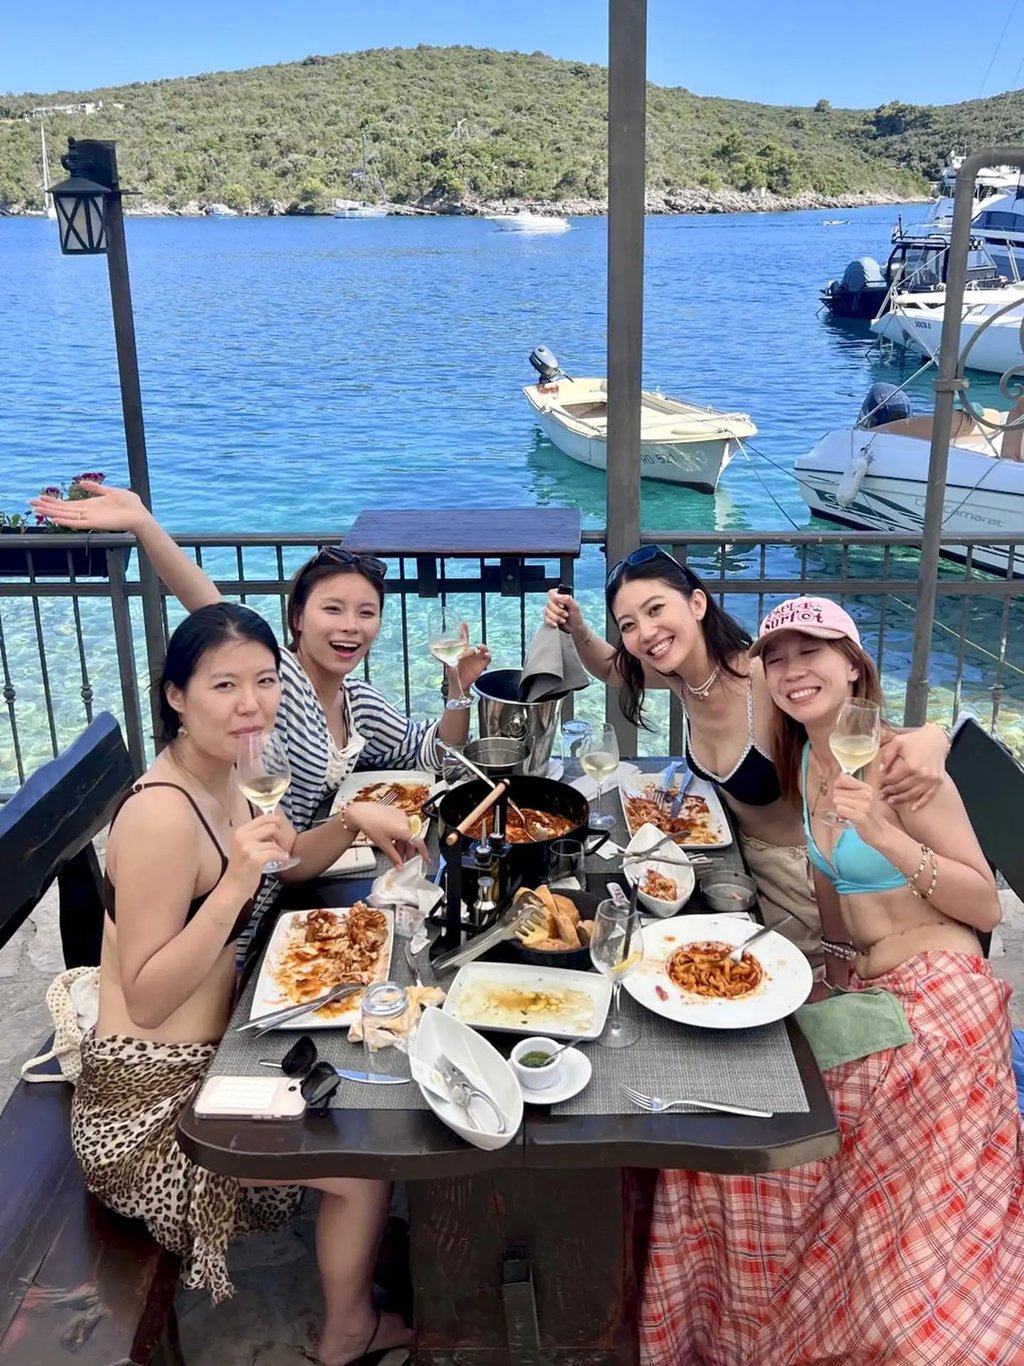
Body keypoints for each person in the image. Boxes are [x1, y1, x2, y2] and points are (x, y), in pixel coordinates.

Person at [640, 596, 1024, 1366]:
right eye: (776, 659)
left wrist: (884, 827)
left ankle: (785, 1322)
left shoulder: (905, 770)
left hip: (939, 1007)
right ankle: (752, 1312)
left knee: (737, 1131)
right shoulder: (811, 762)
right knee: (716, 1089)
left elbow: (986, 907)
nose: (791, 670)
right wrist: (813, 974)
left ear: (853, 666)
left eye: (811, 652)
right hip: (870, 995)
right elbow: (835, 912)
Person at [70, 603, 412, 1365]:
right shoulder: (160, 815)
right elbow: (151, 994)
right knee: (365, 1153)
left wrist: (353, 818)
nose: (251, 703)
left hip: (221, 1048)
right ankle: (347, 1330)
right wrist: (232, 885)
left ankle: (373, 1251)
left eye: (264, 680)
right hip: (150, 1112)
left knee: (379, 1069)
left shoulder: (230, 773)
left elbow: (290, 864)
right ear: (176, 696)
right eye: (224, 685)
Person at [32, 481, 490, 897]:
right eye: (333, 609)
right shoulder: (277, 681)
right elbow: (211, 607)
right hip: (255, 888)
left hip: (301, 862)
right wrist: (144, 524)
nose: (350, 626)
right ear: (297, 618)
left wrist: (457, 687)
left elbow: (435, 751)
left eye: (366, 613)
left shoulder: (359, 703)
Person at [545, 548, 948, 967]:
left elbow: (860, 731)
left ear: (697, 603)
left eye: (656, 609)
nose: (646, 632)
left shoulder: (763, 678)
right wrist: (577, 628)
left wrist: (936, 737)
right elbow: (612, 669)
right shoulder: (682, 677)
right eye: (629, 625)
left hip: (802, 889)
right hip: (732, 867)